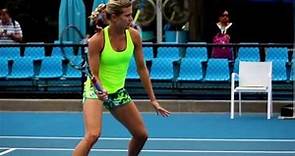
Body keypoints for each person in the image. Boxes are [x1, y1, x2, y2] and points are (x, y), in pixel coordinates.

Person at [73, 0, 170, 156]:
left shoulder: (134, 36)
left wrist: (153, 100)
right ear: (114, 17)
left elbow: (142, 69)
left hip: (118, 92)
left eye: (131, 14)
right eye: (127, 15)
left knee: (141, 135)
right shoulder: (97, 40)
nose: (131, 19)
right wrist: (100, 89)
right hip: (95, 90)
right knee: (92, 135)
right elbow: (95, 75)